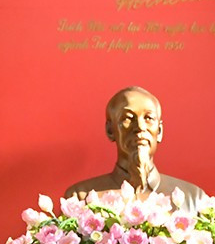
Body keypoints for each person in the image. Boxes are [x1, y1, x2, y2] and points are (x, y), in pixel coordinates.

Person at [62, 85, 207, 204]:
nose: (140, 127)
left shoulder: (193, 198)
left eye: (148, 118)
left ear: (160, 131)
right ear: (110, 130)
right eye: (127, 118)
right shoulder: (80, 199)